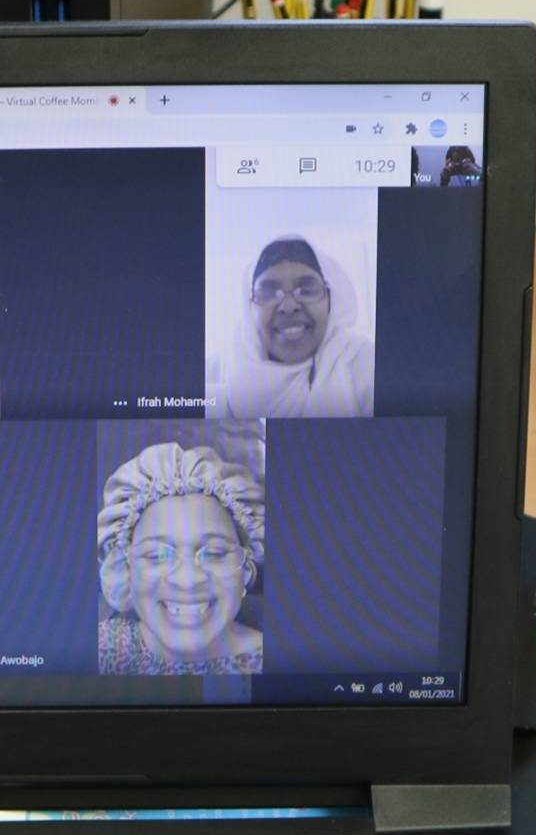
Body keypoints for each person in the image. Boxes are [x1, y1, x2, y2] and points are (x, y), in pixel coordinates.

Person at [97, 442, 264, 675]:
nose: (188, 580)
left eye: (214, 553)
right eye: (157, 555)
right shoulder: (100, 649)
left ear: (246, 568)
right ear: (126, 569)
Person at [213, 236, 373, 419]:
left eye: (307, 291)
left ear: (330, 300)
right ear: (249, 308)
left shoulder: (363, 364)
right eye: (268, 293)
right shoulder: (215, 373)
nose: (288, 306)